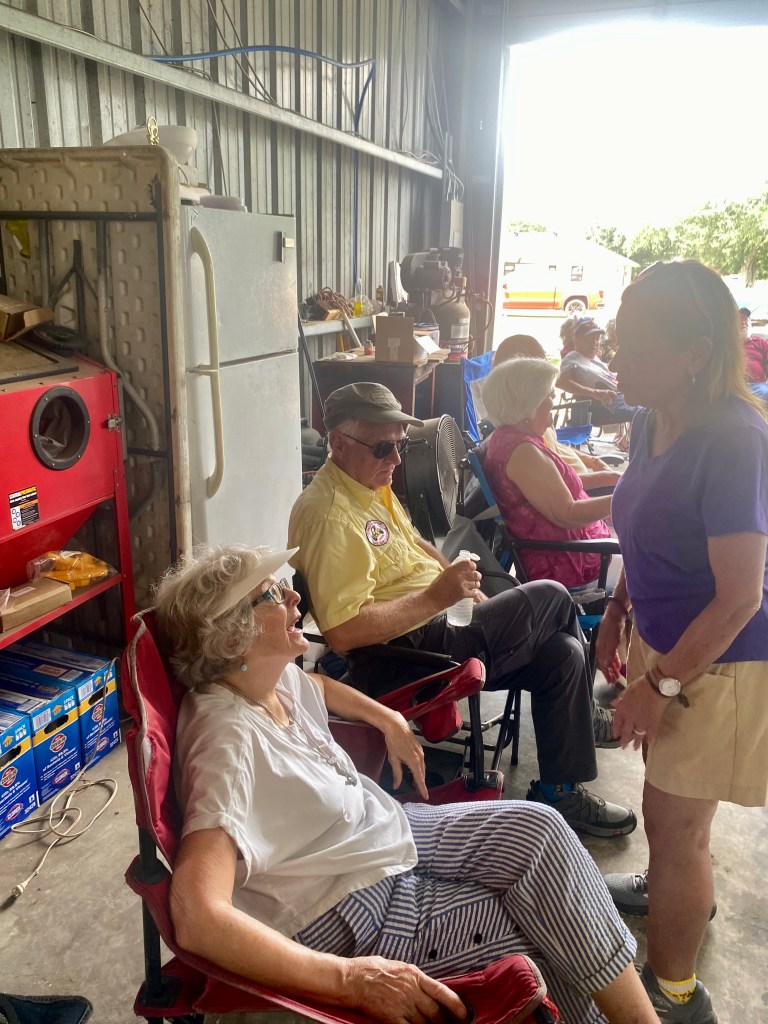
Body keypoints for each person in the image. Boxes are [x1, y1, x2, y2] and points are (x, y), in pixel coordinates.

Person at [158, 543, 661, 1024]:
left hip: (375, 833)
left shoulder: (267, 677)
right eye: (271, 593)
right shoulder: (227, 743)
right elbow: (196, 915)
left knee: (543, 830)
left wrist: (389, 719)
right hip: (347, 907)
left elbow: (320, 685)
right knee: (542, 936)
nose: (293, 595)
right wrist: (350, 980)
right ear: (233, 638)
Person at [288, 381, 636, 838]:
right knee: (552, 595)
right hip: (406, 655)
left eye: (400, 446)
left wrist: (462, 587)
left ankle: (559, 792)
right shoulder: (330, 514)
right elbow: (344, 632)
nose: (396, 460)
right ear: (338, 443)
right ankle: (587, 720)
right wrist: (438, 597)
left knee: (562, 655)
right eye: (383, 447)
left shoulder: (367, 482)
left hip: (438, 627)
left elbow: (415, 545)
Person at [596, 260, 768, 1024]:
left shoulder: (734, 439)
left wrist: (659, 685)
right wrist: (617, 608)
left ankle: (675, 994)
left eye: (634, 345)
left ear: (695, 354)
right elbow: (643, 525)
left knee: (678, 825)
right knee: (669, 809)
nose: (616, 359)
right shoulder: (649, 416)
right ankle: (670, 883)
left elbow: (740, 596)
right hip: (664, 645)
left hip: (718, 663)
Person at [482, 357, 617, 591]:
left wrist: (613, 479)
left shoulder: (518, 439)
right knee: (654, 558)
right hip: (571, 565)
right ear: (528, 404)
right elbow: (567, 513)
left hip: (583, 550)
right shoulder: (523, 453)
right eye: (549, 396)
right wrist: (626, 500)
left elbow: (557, 484)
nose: (553, 403)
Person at [493, 333, 620, 480]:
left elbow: (557, 448)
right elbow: (558, 484)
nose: (547, 364)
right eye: (541, 362)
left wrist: (592, 460)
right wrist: (607, 478)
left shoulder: (538, 414)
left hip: (582, 478)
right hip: (580, 486)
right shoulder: (526, 430)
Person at [557, 318, 640, 448]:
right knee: (647, 412)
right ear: (576, 340)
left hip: (622, 395)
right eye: (588, 339)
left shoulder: (593, 358)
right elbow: (561, 382)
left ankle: (628, 442)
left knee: (653, 403)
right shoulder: (573, 357)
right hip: (609, 404)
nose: (594, 343)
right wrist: (595, 393)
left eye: (596, 339)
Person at [738, 306, 768, 401]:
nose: (744, 322)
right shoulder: (729, 345)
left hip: (758, 387)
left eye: (746, 319)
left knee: (765, 391)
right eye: (740, 319)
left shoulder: (761, 342)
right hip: (735, 386)